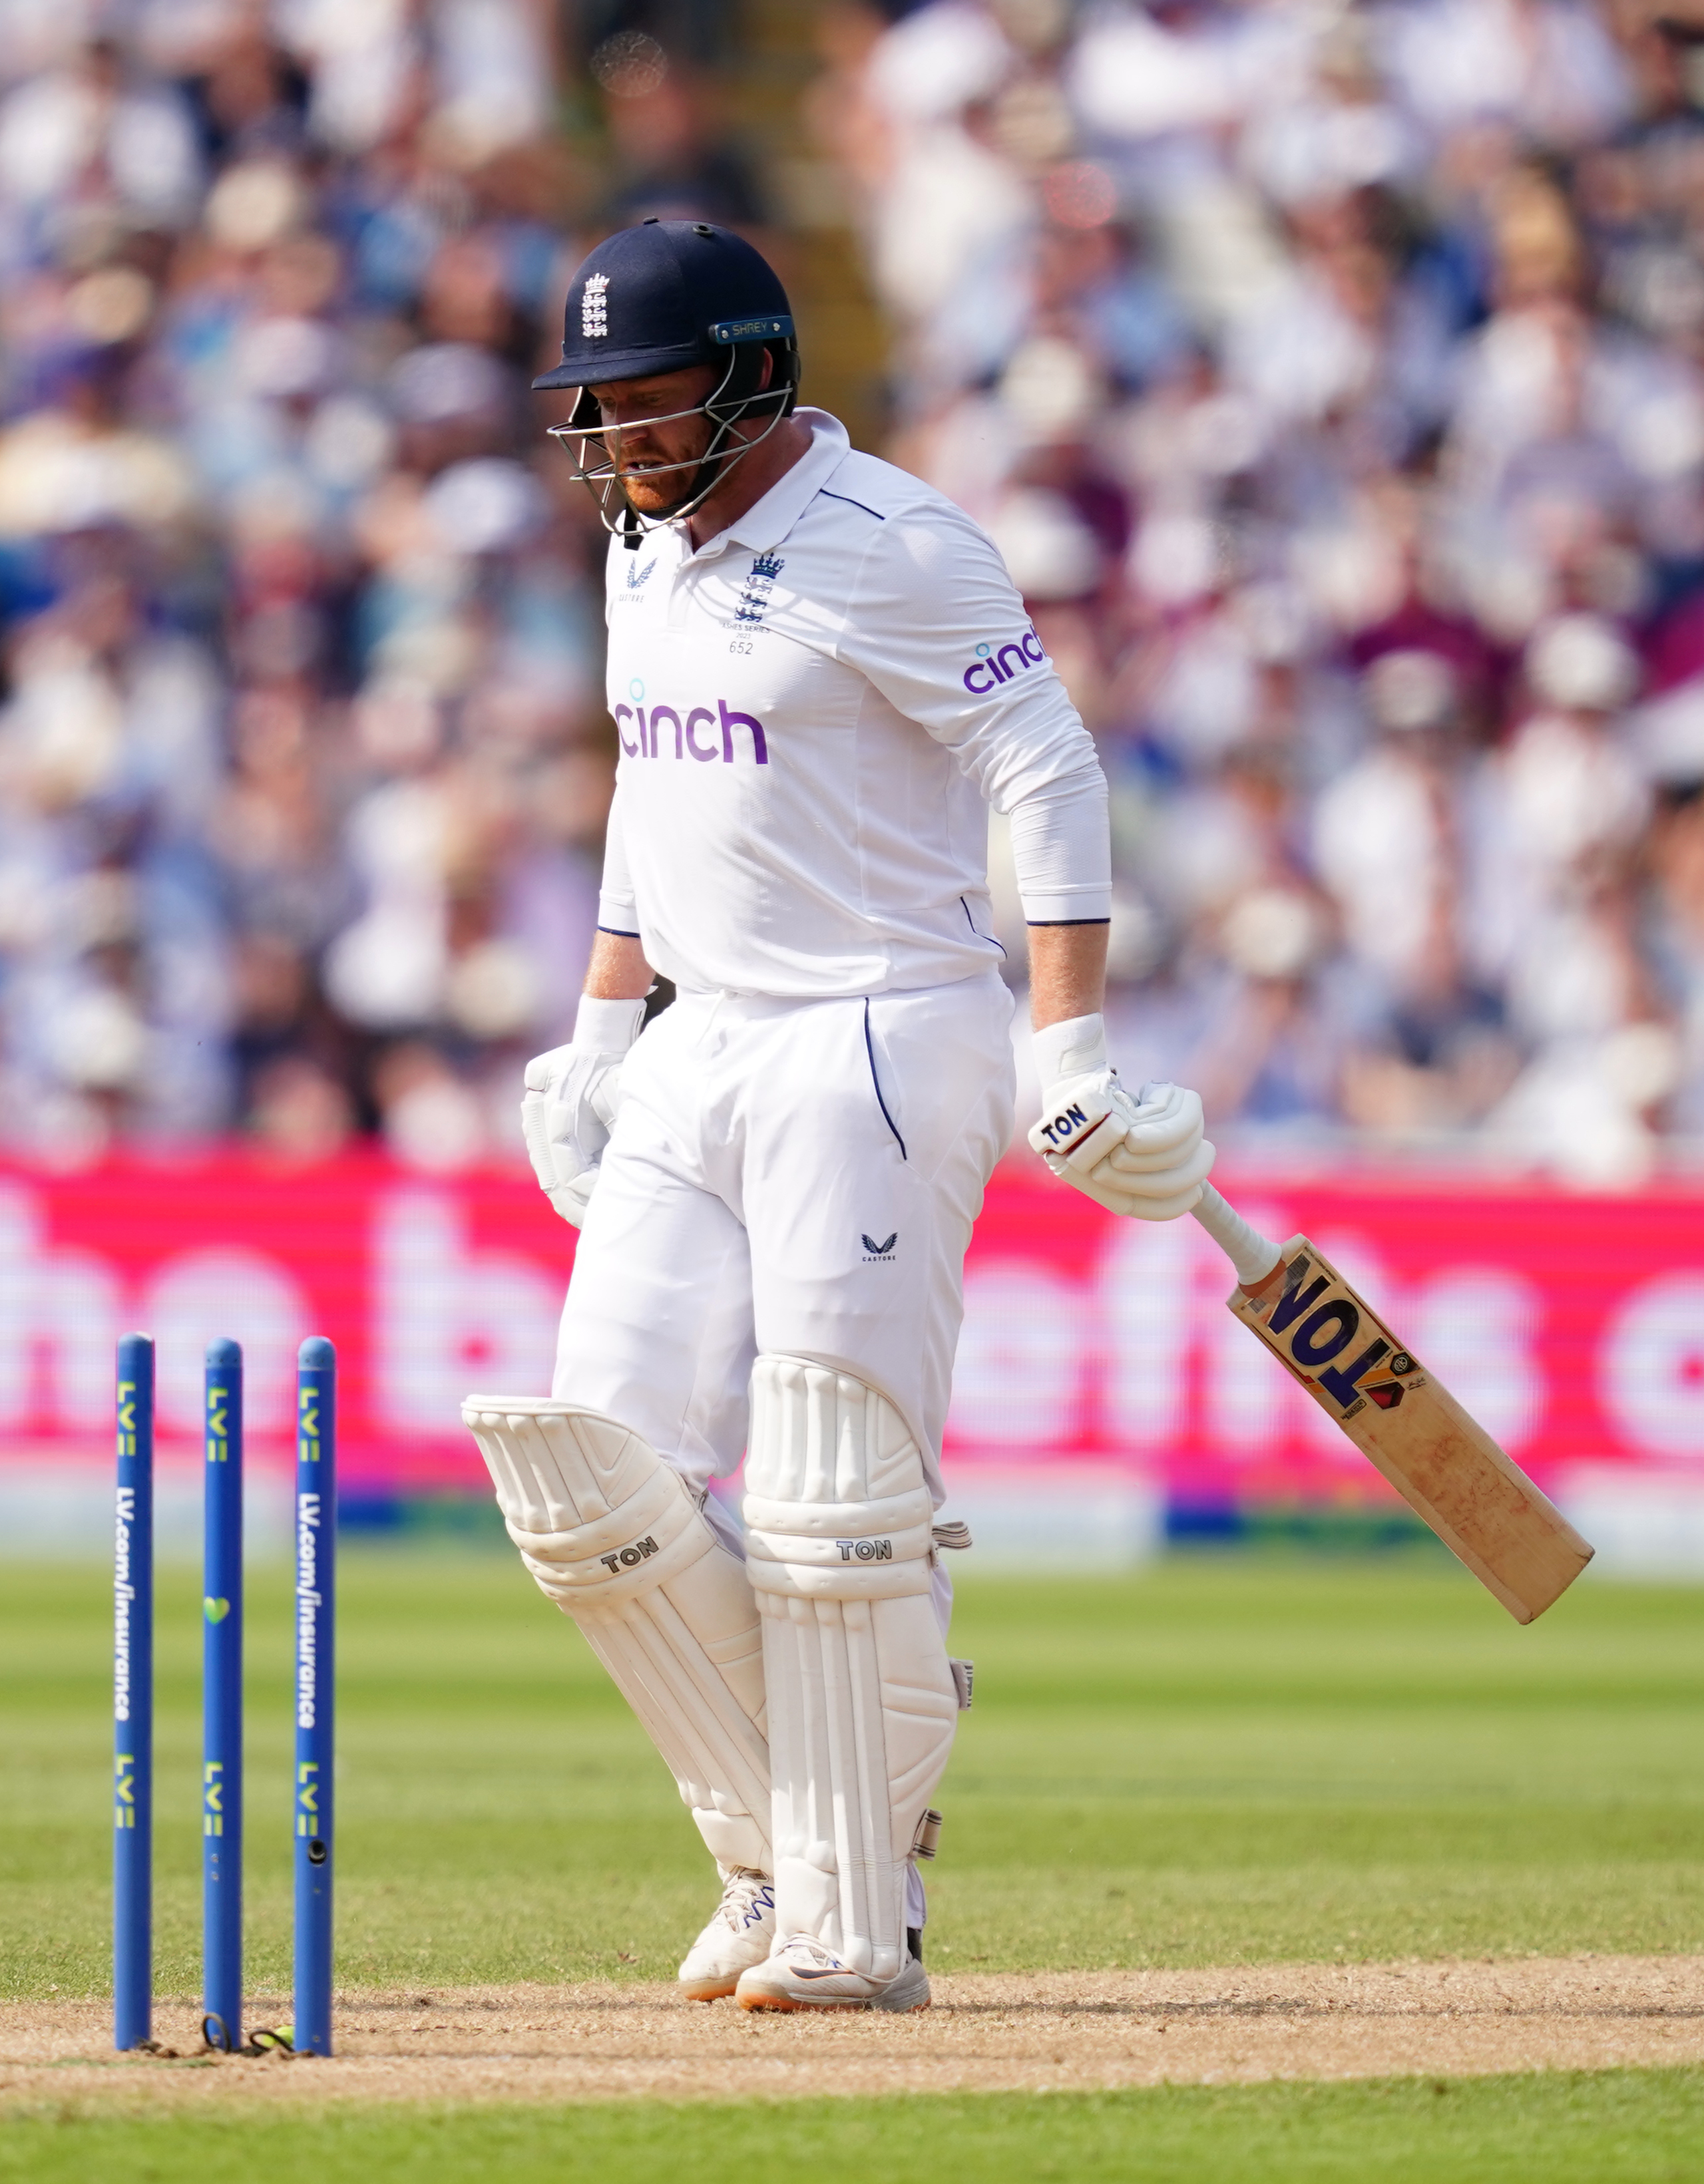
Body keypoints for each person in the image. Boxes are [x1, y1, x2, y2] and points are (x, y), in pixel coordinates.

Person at [464, 221, 1212, 2013]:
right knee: (586, 1476)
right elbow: (654, 781)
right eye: (597, 409)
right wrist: (596, 1024)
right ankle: (790, 1843)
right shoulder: (644, 538)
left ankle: (856, 1916)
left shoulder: (897, 544)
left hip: (878, 1029)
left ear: (751, 374)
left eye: (652, 403)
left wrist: (1072, 1035)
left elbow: (1043, 764)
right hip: (702, 1036)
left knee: (829, 1498)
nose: (623, 441)